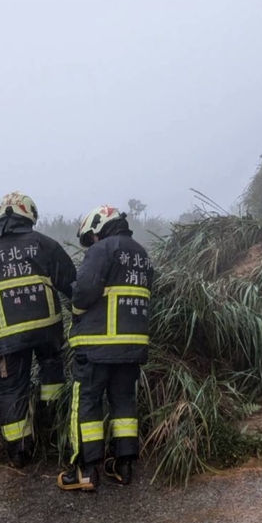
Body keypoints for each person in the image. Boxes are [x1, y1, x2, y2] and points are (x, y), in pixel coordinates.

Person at [0, 191, 76, 468]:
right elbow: (71, 283)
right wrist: (79, 317)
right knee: (52, 375)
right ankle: (52, 430)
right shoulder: (45, 244)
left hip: (6, 335)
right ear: (30, 215)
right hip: (48, 330)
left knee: (11, 387)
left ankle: (19, 450)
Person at [58, 205, 154, 491]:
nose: (92, 243)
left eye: (92, 237)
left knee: (87, 403)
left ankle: (85, 472)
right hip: (132, 348)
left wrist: (74, 308)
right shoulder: (142, 254)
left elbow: (84, 292)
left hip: (96, 346)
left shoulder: (102, 251)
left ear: (99, 227)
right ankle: (124, 467)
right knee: (124, 402)